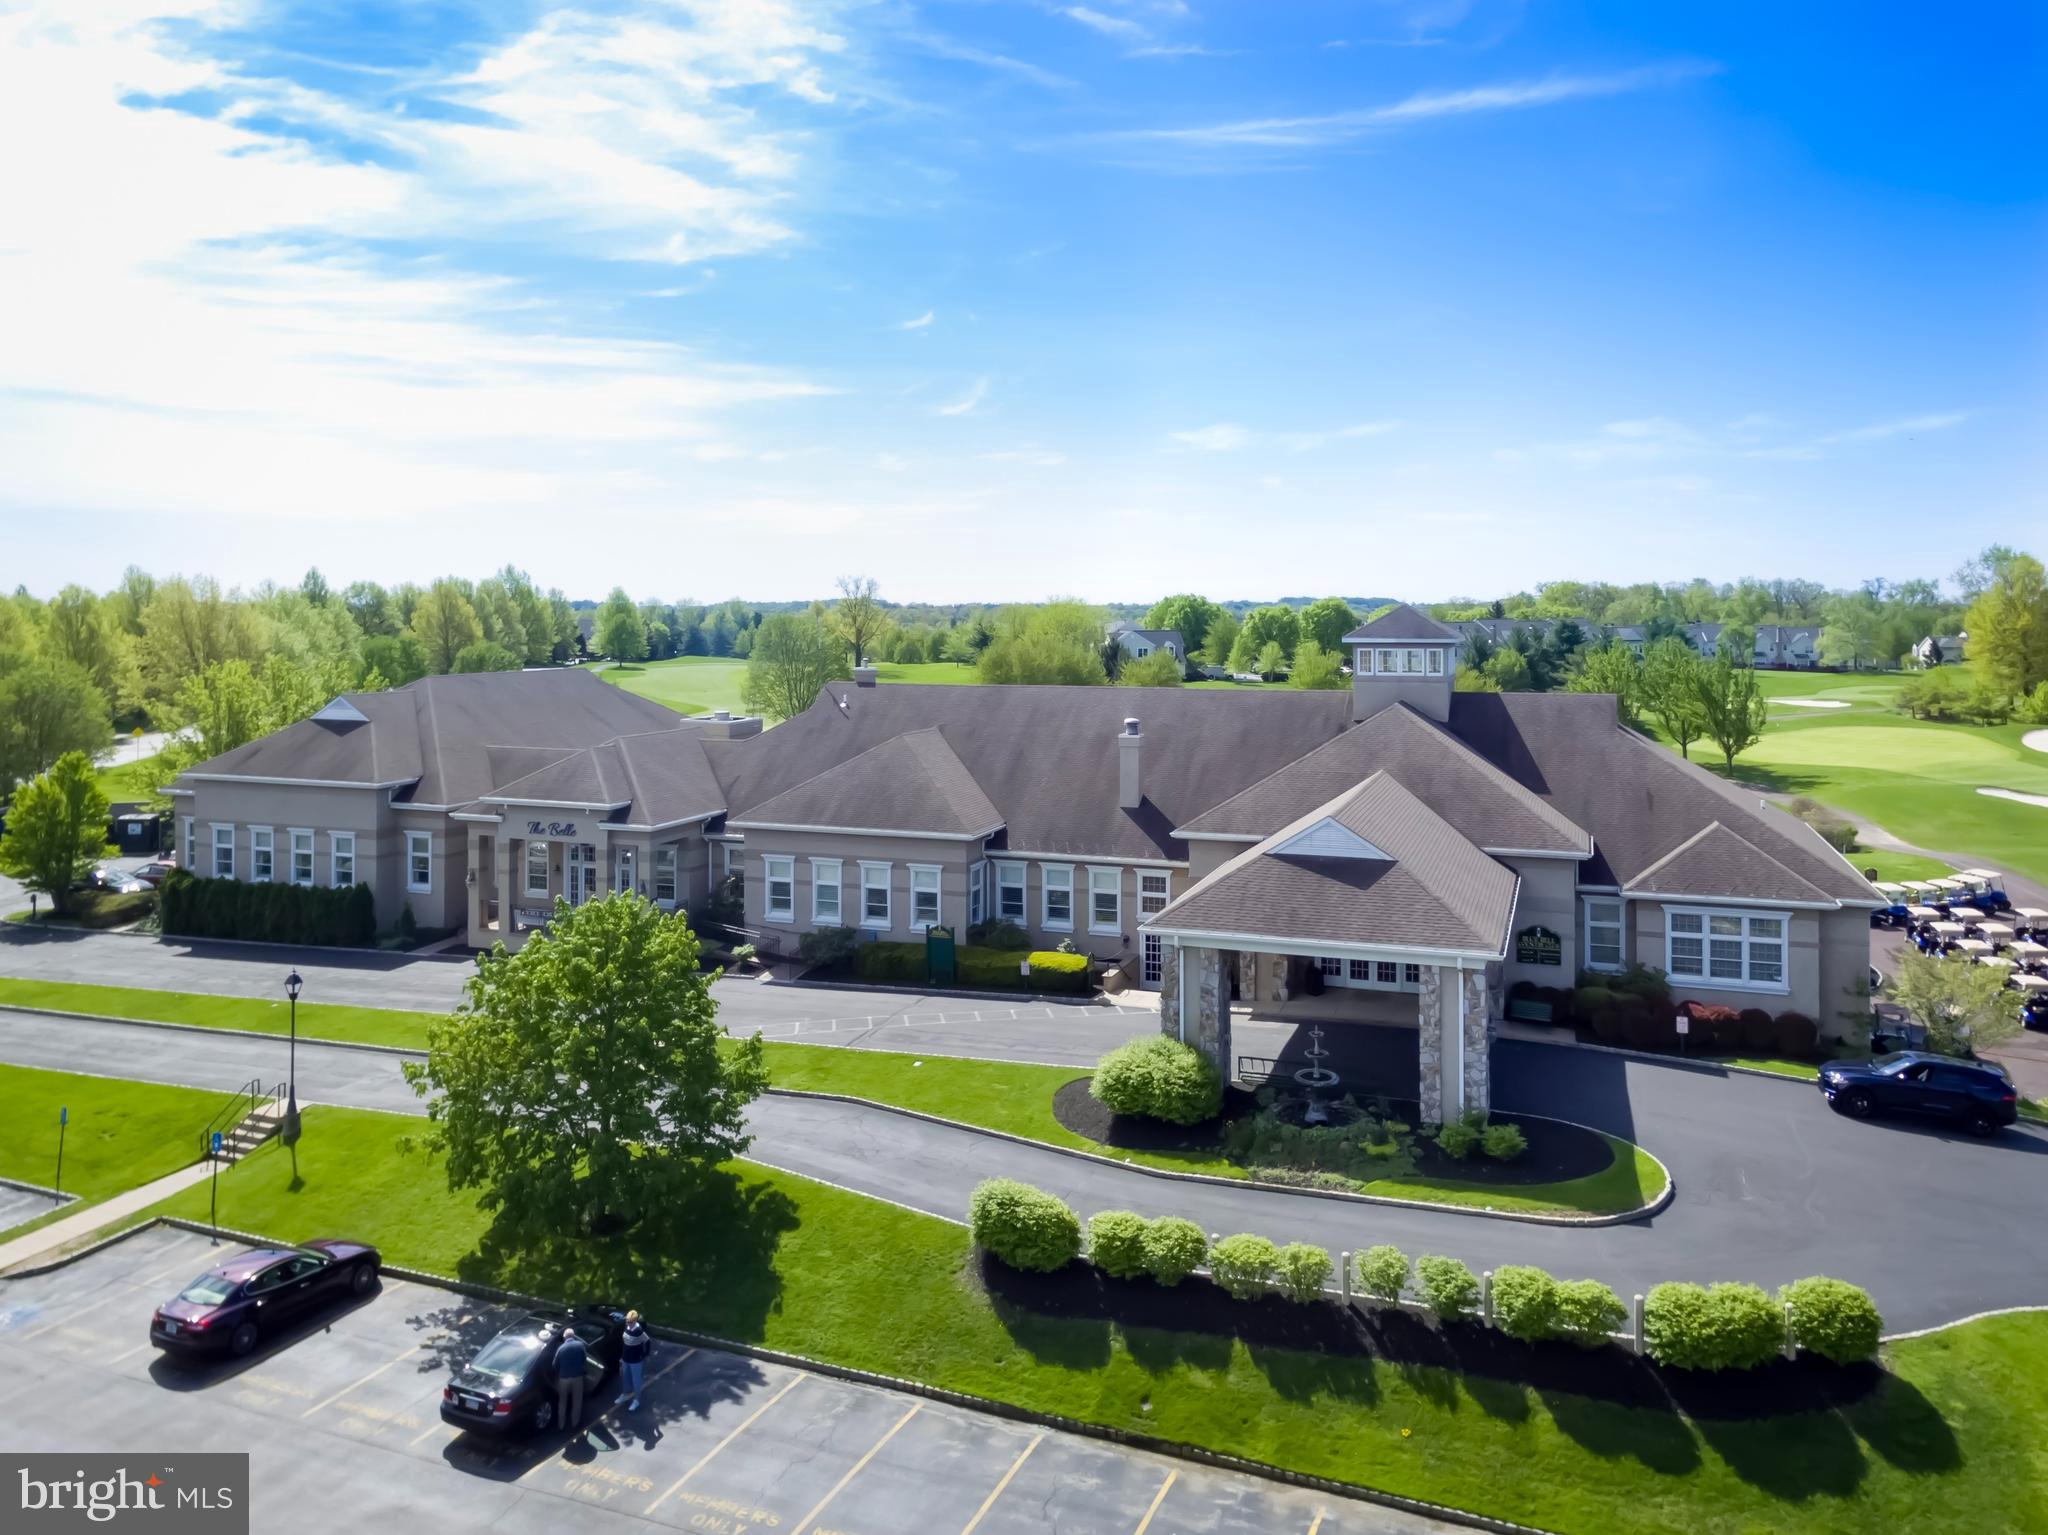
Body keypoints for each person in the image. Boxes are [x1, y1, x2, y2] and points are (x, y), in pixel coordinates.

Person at [553, 1326, 588, 1432]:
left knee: (562, 1402)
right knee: (577, 1401)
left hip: (564, 1379)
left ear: (564, 1337)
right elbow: (584, 1360)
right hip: (577, 1378)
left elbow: (554, 1364)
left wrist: (560, 1373)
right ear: (573, 1336)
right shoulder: (580, 1345)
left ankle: (561, 1425)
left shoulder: (561, 1348)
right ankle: (575, 1423)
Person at [618, 1310, 652, 1411]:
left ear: (634, 1321)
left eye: (629, 1321)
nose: (627, 1323)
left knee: (636, 1381)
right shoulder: (626, 1327)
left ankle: (636, 1400)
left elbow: (647, 1341)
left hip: (636, 1360)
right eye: (627, 1321)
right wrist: (622, 1356)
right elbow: (625, 1344)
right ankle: (625, 1394)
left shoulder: (638, 1331)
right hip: (625, 1358)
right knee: (625, 1377)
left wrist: (645, 1354)